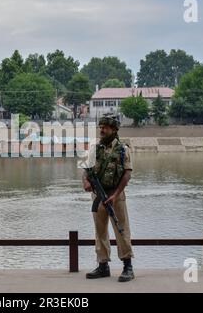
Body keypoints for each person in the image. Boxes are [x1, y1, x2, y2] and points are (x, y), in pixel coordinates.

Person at [82, 114, 135, 282]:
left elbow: (127, 174)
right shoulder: (94, 149)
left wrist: (115, 195)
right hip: (98, 195)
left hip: (115, 196)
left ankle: (128, 266)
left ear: (114, 130)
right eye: (100, 127)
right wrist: (86, 182)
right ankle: (103, 265)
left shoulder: (122, 150)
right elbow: (86, 168)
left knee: (121, 230)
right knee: (100, 231)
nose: (102, 130)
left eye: (105, 127)